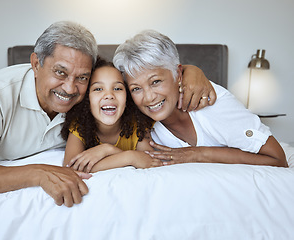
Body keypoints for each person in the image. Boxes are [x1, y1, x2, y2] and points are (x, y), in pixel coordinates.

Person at [0, 21, 217, 208]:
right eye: (60, 72)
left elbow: (145, 80)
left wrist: (192, 70)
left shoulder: (89, 99)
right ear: (36, 64)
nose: (69, 88)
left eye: (82, 78)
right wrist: (40, 174)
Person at [113, 30, 288, 167]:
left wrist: (197, 154)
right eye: (136, 88)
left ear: (178, 74)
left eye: (156, 81)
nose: (149, 97)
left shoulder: (213, 104)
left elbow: (278, 160)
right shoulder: (135, 118)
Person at [61, 58, 161, 173]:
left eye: (117, 88)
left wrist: (107, 151)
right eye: (98, 89)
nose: (109, 95)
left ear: (127, 96)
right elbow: (71, 167)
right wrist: (130, 157)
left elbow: (148, 161)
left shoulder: (137, 125)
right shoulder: (79, 126)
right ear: (87, 98)